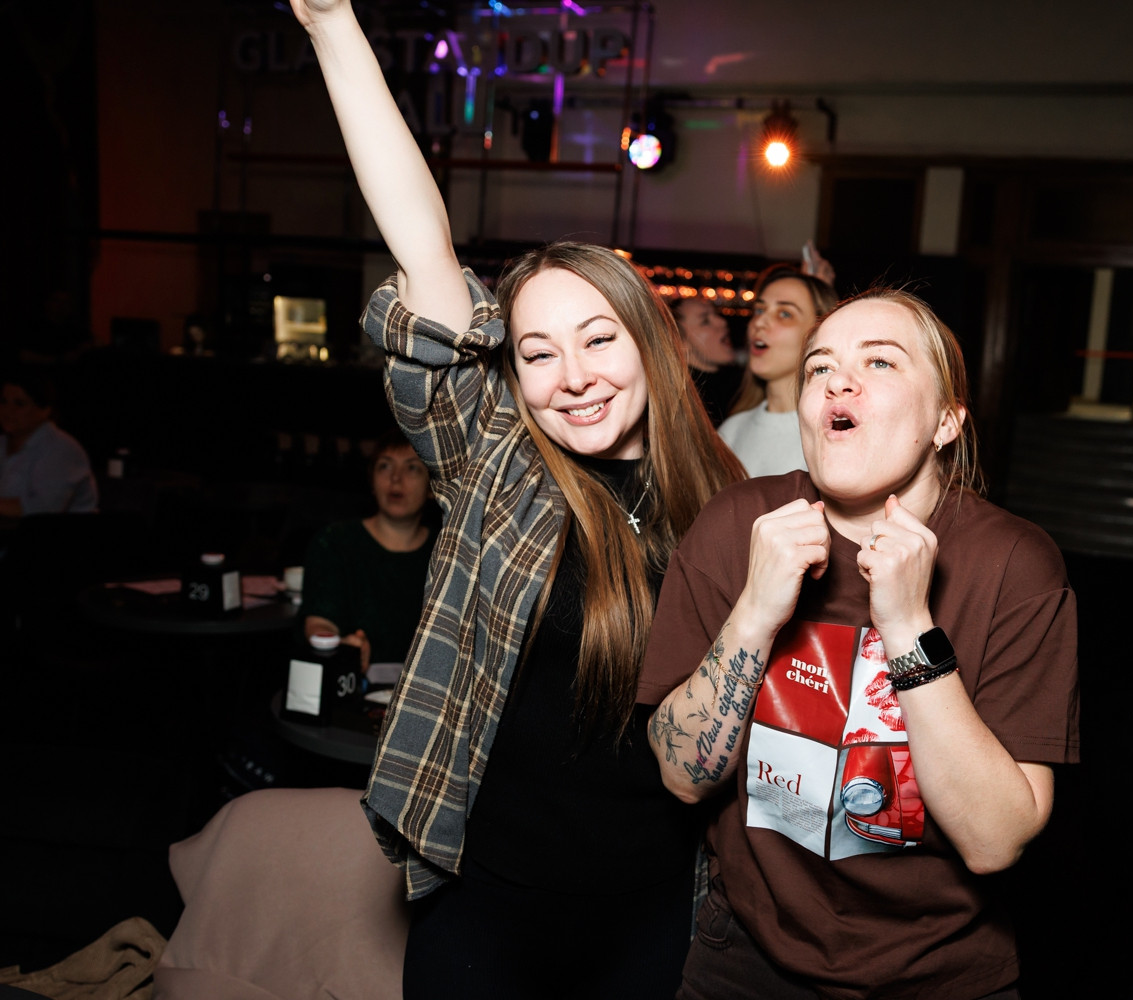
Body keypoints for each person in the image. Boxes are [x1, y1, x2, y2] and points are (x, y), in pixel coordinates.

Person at [290, 1, 742, 997]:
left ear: (650, 341)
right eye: (537, 352)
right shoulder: (498, 461)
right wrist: (332, 26)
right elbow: (422, 247)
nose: (571, 376)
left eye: (598, 339)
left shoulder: (728, 504)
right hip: (487, 900)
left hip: (656, 906)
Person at [640, 289, 1080, 998]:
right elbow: (681, 776)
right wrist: (755, 613)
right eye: (820, 367)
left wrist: (908, 627)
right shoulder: (737, 523)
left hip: (940, 978)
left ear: (946, 421)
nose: (837, 382)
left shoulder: (1015, 565)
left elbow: (995, 841)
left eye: (879, 362)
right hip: (745, 963)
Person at [299, 430, 436, 673]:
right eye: (385, 466)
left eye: (412, 468)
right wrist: (339, 645)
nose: (396, 478)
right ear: (372, 480)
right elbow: (320, 621)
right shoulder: (335, 542)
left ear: (432, 486)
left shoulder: (447, 552)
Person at [716, 265, 837, 477]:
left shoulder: (833, 433)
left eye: (784, 314)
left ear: (818, 335)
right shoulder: (731, 431)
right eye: (759, 310)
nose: (759, 322)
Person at [0, 371, 97, 520]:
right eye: (3, 401)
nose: (8, 410)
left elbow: (44, 508)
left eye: (19, 404)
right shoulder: (3, 443)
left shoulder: (61, 449)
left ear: (45, 410)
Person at [671, 296, 740, 426]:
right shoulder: (682, 403)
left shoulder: (743, 382)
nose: (722, 322)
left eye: (716, 314)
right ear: (680, 342)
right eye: (705, 321)